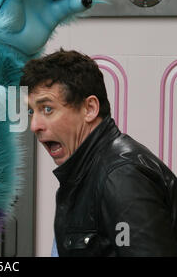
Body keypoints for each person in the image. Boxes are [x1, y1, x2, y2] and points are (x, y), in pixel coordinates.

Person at [20, 49, 177, 256]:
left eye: (47, 109)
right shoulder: (83, 173)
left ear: (90, 108)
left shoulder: (121, 177)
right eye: (32, 111)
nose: (34, 125)